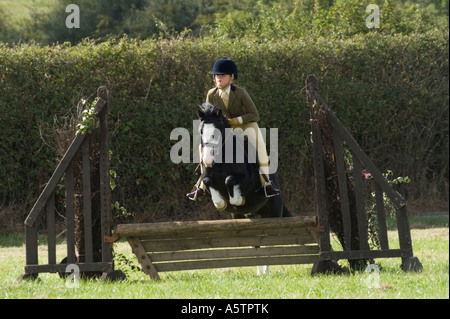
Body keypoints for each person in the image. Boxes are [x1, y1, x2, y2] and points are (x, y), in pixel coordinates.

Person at [187, 57, 280, 201]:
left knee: (260, 145)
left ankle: (266, 183)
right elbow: (209, 115)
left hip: (244, 125)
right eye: (216, 75)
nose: (219, 78)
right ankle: (202, 185)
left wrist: (236, 120)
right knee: (202, 146)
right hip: (224, 129)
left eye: (222, 75)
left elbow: (254, 114)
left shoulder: (240, 93)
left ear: (231, 78)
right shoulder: (211, 94)